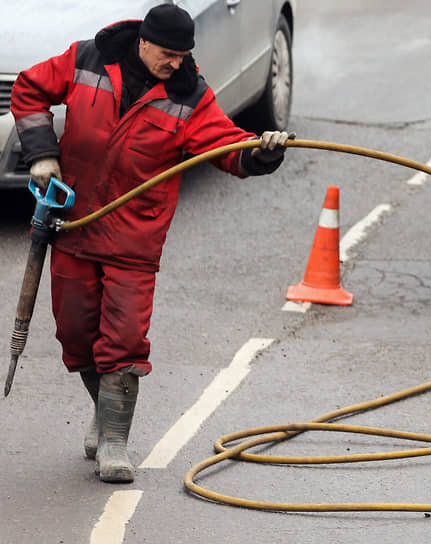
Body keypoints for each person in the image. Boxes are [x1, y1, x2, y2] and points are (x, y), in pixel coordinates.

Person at [11, 4, 290, 483]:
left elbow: (225, 147)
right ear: (142, 41)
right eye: (168, 54)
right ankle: (104, 409)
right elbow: (29, 90)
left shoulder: (189, 95)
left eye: (184, 55)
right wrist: (41, 155)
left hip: (134, 241)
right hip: (75, 226)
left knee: (123, 342)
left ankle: (115, 443)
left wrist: (260, 154)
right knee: (76, 338)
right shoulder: (87, 60)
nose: (176, 63)